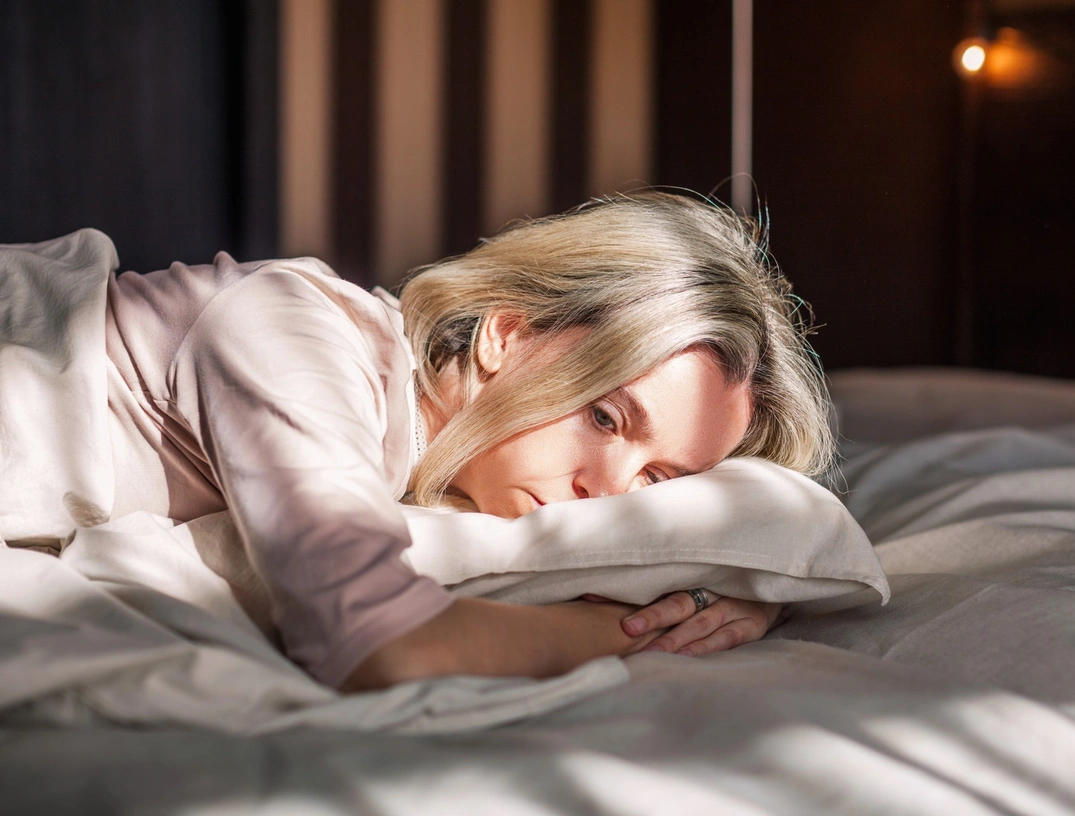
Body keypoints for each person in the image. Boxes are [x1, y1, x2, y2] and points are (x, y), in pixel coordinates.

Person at [1, 191, 833, 692]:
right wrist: (654, 626)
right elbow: (381, 648)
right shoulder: (295, 333)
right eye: (606, 418)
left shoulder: (418, 461)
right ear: (506, 334)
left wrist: (738, 586)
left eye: (657, 481)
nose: (608, 493)